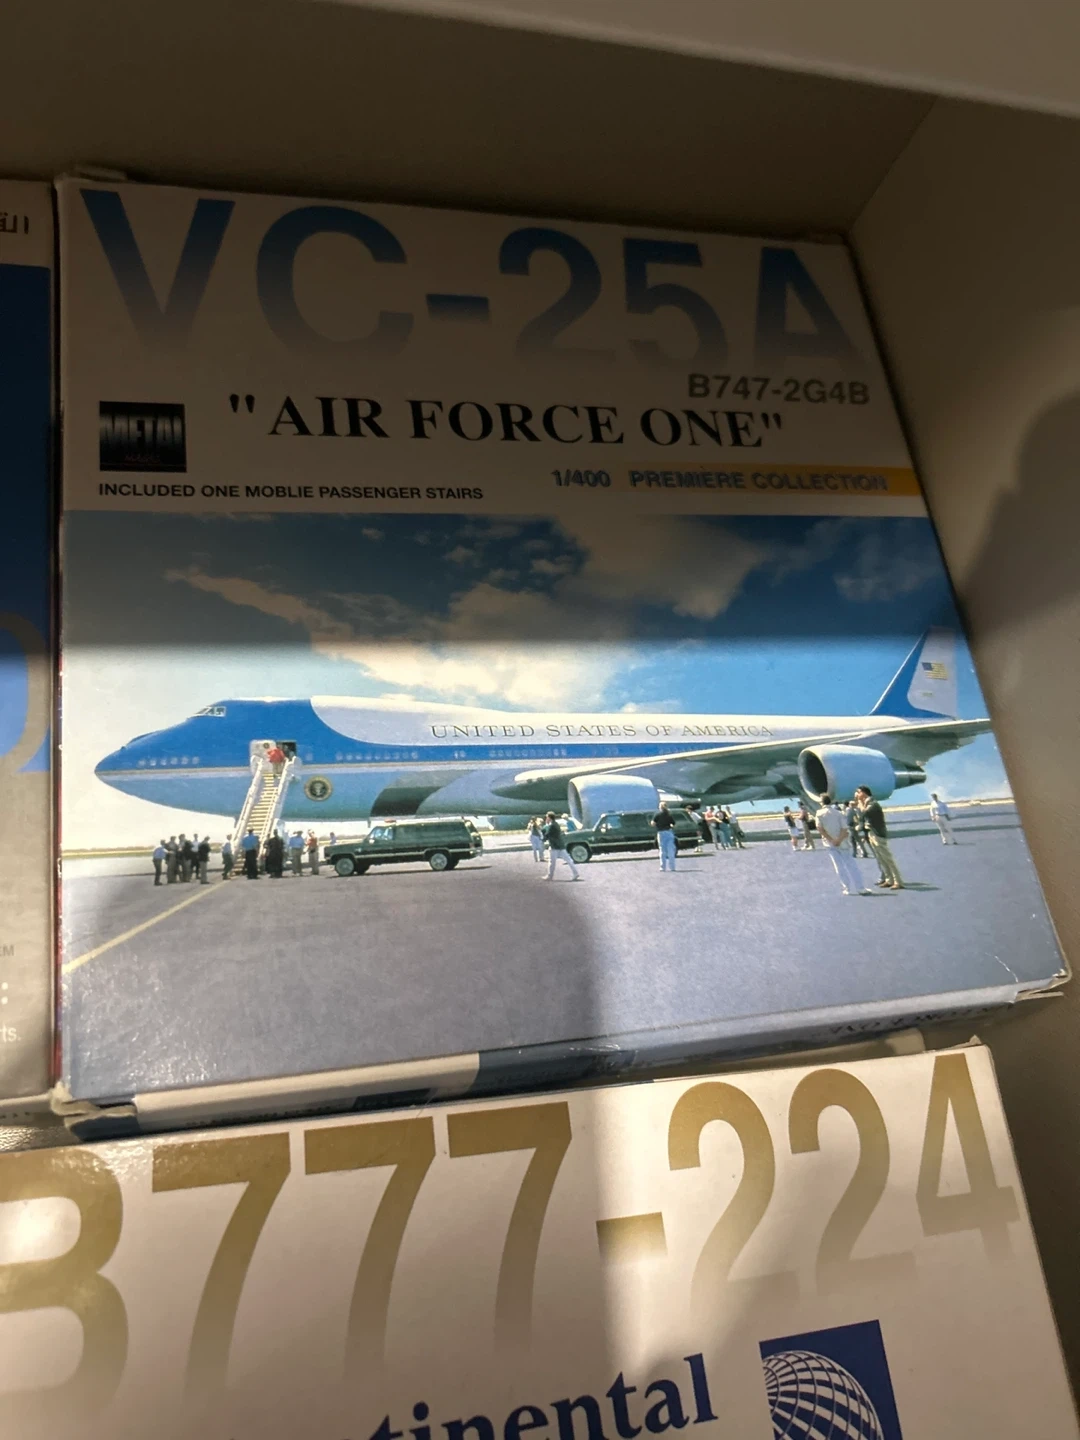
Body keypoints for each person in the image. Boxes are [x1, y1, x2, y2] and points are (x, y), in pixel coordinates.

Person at [816, 793, 869, 896]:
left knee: (839, 866)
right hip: (842, 842)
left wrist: (831, 840)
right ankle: (860, 887)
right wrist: (839, 840)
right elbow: (844, 829)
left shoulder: (819, 814)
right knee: (851, 865)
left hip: (829, 843)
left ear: (821, 802)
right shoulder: (838, 813)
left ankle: (847, 888)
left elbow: (820, 828)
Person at [856, 786, 904, 890]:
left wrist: (859, 802)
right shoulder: (867, 803)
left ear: (864, 793)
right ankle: (889, 879)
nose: (857, 795)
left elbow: (864, 813)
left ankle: (898, 881)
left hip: (878, 834)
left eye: (859, 792)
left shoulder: (873, 804)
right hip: (872, 833)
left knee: (888, 858)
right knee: (881, 859)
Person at [541, 812, 581, 880]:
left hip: (554, 846)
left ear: (549, 818)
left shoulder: (551, 825)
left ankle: (550, 876)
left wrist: (542, 839)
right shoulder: (555, 824)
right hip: (560, 845)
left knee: (552, 862)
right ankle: (575, 873)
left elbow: (547, 834)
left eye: (547, 817)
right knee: (569, 860)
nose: (546, 818)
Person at [650, 801, 678, 872]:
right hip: (669, 832)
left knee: (662, 850)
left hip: (661, 833)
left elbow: (653, 823)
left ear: (660, 807)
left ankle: (662, 867)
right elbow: (673, 824)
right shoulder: (669, 814)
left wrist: (656, 824)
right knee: (671, 850)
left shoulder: (657, 814)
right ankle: (672, 867)